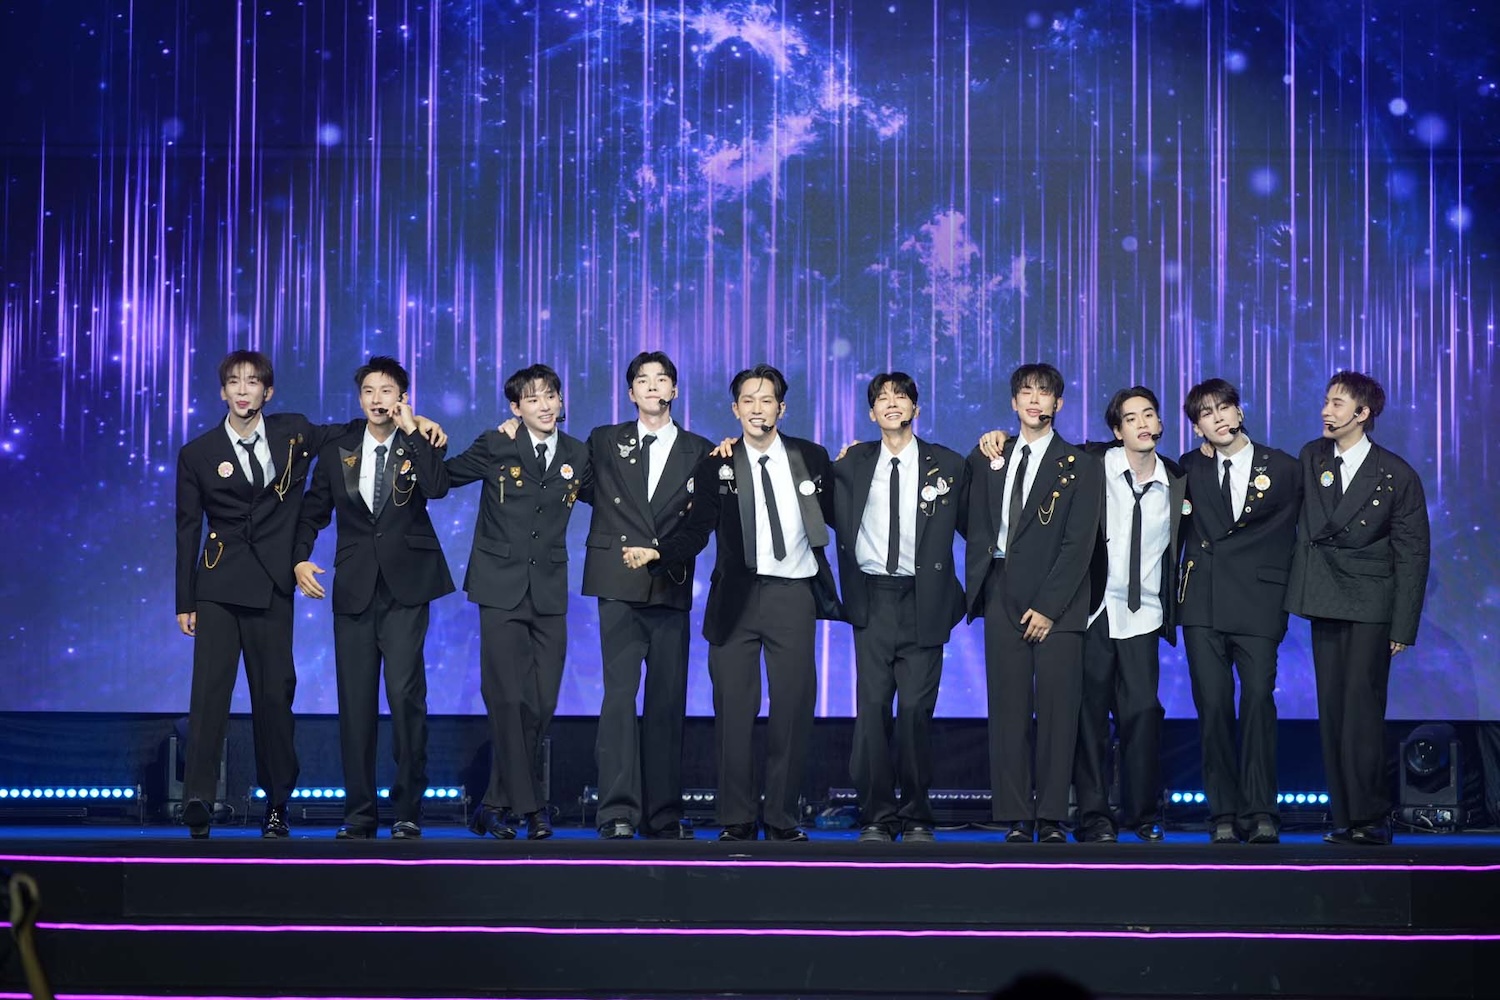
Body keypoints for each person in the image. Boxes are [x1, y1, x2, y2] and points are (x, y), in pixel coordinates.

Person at [174, 349, 443, 839]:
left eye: (252, 382)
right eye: (234, 382)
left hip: (285, 585)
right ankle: (200, 798)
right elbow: (188, 528)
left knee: (280, 697)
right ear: (222, 391)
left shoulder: (294, 433)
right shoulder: (198, 452)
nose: (242, 390)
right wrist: (185, 600)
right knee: (212, 694)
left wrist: (415, 423)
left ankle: (283, 804)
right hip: (222, 583)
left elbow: (370, 439)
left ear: (268, 392)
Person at [624, 364, 842, 841]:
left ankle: (782, 818)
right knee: (734, 711)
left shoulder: (811, 457)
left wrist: (859, 458)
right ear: (735, 409)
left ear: (782, 408)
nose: (757, 409)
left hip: (793, 594)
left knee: (792, 709)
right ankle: (736, 819)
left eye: (767, 400)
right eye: (748, 400)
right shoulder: (716, 465)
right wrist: (660, 553)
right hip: (735, 600)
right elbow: (696, 529)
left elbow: (838, 511)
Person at [292, 356, 454, 840]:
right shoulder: (338, 448)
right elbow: (313, 511)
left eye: (387, 390)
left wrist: (413, 431)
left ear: (402, 396)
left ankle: (408, 809)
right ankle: (359, 813)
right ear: (359, 398)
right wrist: (299, 558)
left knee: (405, 698)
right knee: (355, 702)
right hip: (355, 587)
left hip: (407, 586)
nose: (377, 398)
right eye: (369, 390)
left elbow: (437, 488)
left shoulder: (422, 439)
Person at [446, 364, 591, 841]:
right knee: (507, 699)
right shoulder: (497, 443)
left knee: (540, 704)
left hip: (549, 590)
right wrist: (417, 430)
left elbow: (616, 497)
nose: (545, 406)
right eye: (532, 399)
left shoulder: (577, 454)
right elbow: (440, 480)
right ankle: (533, 809)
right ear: (515, 408)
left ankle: (492, 804)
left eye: (551, 395)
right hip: (499, 587)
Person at [1286, 371, 1430, 846]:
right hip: (1323, 594)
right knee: (1331, 710)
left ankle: (1371, 816)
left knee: (1362, 710)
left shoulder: (1396, 474)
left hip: (1371, 601)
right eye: (1326, 401)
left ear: (1363, 413)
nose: (1326, 411)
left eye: (1337, 403)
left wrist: (1402, 626)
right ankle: (1345, 815)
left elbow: (1412, 553)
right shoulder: (1312, 456)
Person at [963, 363, 1102, 843]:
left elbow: (1079, 543)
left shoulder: (1080, 465)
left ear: (1058, 404)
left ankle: (1051, 817)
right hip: (1001, 588)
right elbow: (968, 518)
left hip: (1059, 598)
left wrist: (1049, 606)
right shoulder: (989, 455)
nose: (1035, 400)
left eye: (1044, 393)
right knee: (1008, 709)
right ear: (1014, 402)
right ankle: (1016, 816)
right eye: (1026, 392)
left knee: (1059, 712)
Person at [580, 352, 712, 840]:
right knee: (618, 699)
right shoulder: (604, 440)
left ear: (674, 390)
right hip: (617, 580)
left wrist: (661, 552)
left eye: (662, 379)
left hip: (669, 580)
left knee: (666, 702)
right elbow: (575, 481)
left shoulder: (701, 450)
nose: (653, 386)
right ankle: (616, 811)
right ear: (630, 392)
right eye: (642, 380)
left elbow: (702, 522)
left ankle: (663, 814)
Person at [832, 372, 968, 843]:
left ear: (916, 408)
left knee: (914, 711)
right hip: (872, 598)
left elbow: (977, 526)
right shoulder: (850, 464)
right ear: (872, 413)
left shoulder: (948, 465)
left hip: (924, 599)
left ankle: (916, 815)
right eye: (882, 398)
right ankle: (876, 815)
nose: (892, 403)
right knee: (872, 711)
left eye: (902, 396)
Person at [1177, 378, 1301, 844]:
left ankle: (1261, 809)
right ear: (1197, 428)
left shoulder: (1284, 468)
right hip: (1202, 604)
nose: (1219, 418)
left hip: (1260, 602)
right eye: (1206, 413)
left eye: (1224, 407)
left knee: (1258, 702)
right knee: (1212, 708)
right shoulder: (1187, 467)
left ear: (1240, 412)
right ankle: (1223, 812)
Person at [1073, 387, 1186, 842]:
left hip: (1144, 612)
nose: (1142, 423)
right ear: (1117, 431)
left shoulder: (1178, 479)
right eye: (1131, 417)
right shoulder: (1090, 465)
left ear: (1160, 424)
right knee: (1089, 717)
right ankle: (1094, 816)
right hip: (1094, 609)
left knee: (1142, 711)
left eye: (1149, 414)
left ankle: (1142, 814)